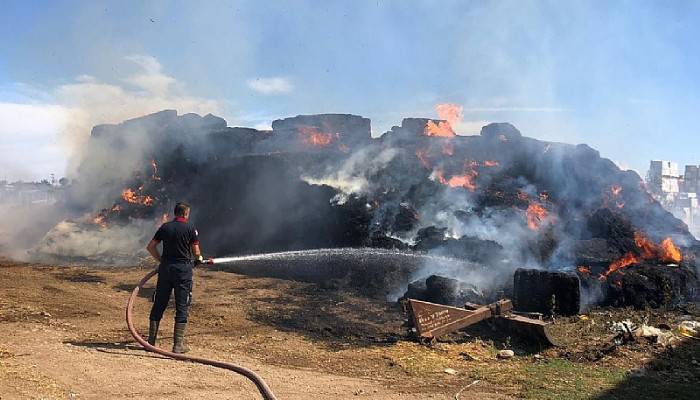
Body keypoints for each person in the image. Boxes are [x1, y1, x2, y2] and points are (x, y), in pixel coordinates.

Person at [145, 202, 204, 353]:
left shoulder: (165, 227)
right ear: (185, 213)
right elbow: (196, 251)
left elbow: (151, 247)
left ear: (175, 213)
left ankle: (151, 342)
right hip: (183, 271)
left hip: (165, 269)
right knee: (182, 305)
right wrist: (199, 259)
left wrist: (161, 261)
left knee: (159, 303)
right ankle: (178, 345)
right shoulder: (191, 228)